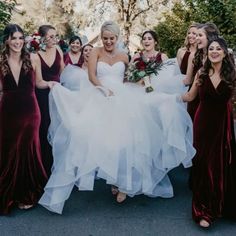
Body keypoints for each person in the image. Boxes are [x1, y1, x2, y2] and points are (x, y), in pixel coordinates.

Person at [39, 21, 195, 214]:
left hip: (123, 96)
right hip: (100, 94)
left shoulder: (124, 55)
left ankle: (122, 183)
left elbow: (128, 77)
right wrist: (103, 89)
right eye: (105, 38)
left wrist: (142, 79)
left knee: (126, 140)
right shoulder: (96, 52)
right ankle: (101, 178)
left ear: (117, 38)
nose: (108, 42)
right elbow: (92, 76)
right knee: (96, 139)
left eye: (111, 38)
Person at [179, 37, 236, 227]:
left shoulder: (232, 74)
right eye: (211, 48)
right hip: (203, 124)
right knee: (204, 164)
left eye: (218, 48)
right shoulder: (201, 73)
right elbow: (190, 96)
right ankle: (204, 211)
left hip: (223, 124)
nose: (214, 51)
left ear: (225, 52)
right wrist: (169, 97)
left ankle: (222, 206)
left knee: (221, 163)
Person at [0, 24, 56, 214]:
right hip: (7, 111)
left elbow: (38, 82)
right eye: (14, 38)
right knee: (9, 151)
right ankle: (11, 193)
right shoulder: (0, 60)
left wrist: (49, 83)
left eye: (20, 38)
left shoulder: (32, 58)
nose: (17, 42)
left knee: (28, 150)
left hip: (30, 112)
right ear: (7, 40)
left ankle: (27, 192)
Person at [35, 24, 64, 175]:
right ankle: (45, 167)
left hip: (58, 94)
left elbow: (62, 71)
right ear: (42, 38)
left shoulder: (58, 50)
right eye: (51, 36)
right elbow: (38, 81)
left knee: (59, 127)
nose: (54, 39)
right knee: (45, 127)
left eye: (55, 36)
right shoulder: (36, 54)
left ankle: (58, 164)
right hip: (42, 95)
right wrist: (49, 84)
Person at [183, 22, 220, 121]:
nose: (196, 38)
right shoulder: (195, 56)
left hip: (214, 104)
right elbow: (187, 80)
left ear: (209, 37)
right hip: (194, 100)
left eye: (199, 35)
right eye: (196, 35)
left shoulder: (219, 57)